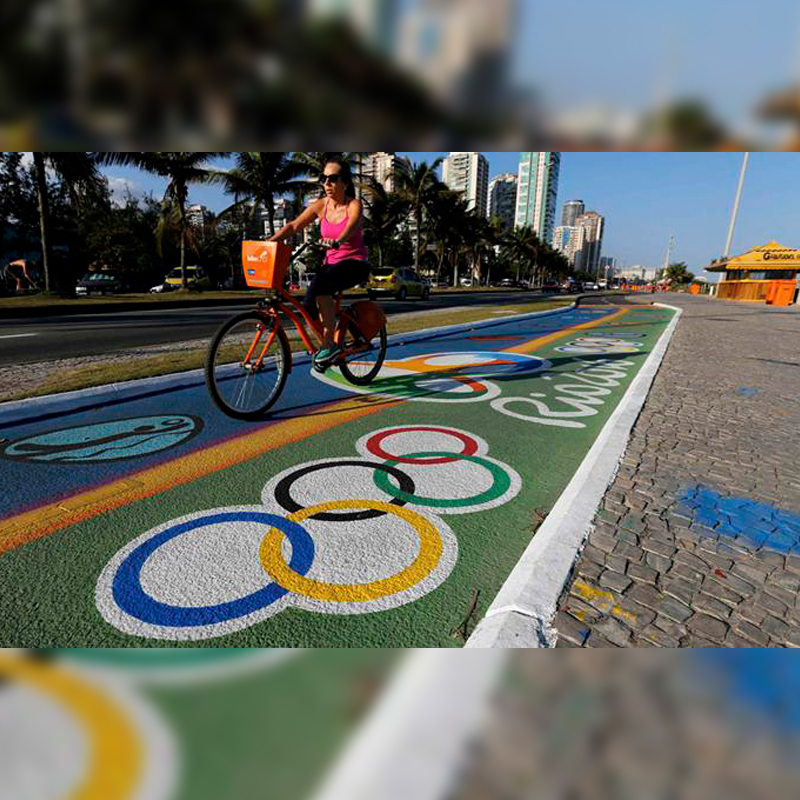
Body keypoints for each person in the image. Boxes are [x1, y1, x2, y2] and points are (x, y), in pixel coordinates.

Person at [270, 157, 371, 372]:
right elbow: (294, 225)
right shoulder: (321, 206)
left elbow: (353, 224)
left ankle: (328, 346)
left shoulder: (353, 204)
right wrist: (269, 242)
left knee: (321, 286)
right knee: (307, 306)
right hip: (331, 266)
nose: (327, 183)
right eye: (323, 179)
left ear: (345, 182)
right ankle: (329, 346)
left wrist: (338, 241)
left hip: (355, 263)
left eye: (332, 178)